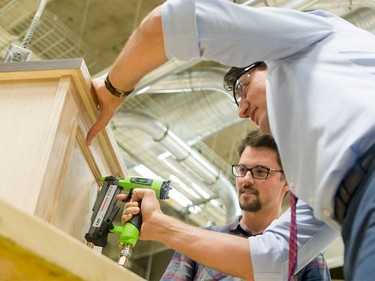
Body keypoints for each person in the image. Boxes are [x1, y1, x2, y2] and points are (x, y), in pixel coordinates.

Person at [86, 1, 375, 280]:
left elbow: (170, 23)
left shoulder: (312, 38)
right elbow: (271, 260)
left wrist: (113, 89)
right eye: (244, 170)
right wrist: (161, 226)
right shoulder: (316, 186)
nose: (241, 109)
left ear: (268, 61)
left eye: (243, 86)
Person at [160, 129, 331, 281]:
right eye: (242, 170)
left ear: (287, 181)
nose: (247, 179)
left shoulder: (306, 253)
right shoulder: (200, 239)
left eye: (260, 172)